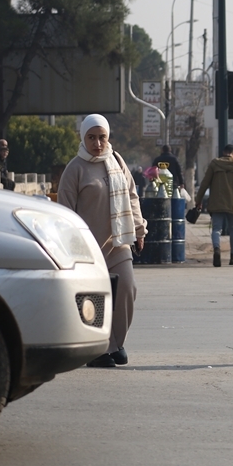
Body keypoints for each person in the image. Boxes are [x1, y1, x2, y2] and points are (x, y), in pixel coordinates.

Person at [58, 114, 147, 368]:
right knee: (94, 299)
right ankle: (98, 349)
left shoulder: (117, 161)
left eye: (102, 137)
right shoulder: (75, 169)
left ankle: (116, 343)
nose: (97, 143)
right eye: (91, 138)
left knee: (127, 290)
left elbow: (132, 197)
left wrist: (140, 230)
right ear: (83, 138)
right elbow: (65, 211)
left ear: (108, 137)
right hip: (87, 248)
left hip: (118, 242)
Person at [195, 143, 233, 267]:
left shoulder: (214, 164)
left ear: (223, 152)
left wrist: (198, 200)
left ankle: (217, 249)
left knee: (216, 229)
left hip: (216, 202)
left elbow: (204, 183)